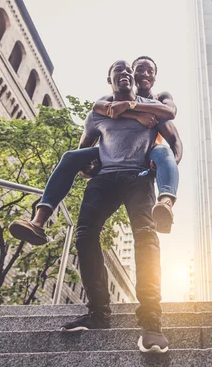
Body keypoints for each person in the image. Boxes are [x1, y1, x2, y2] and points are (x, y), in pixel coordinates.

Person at [8, 56, 181, 245]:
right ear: (132, 73)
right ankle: (38, 221)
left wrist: (167, 165)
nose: (144, 74)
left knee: (163, 152)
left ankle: (165, 204)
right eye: (139, 69)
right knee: (71, 157)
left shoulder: (159, 102)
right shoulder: (112, 98)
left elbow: (170, 116)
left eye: (150, 71)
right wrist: (133, 113)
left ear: (155, 77)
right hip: (111, 153)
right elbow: (99, 107)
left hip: (146, 153)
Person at [61, 60, 171, 353]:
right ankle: (98, 313)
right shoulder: (98, 113)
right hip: (105, 180)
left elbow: (173, 138)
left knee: (145, 235)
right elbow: (84, 153)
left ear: (135, 81)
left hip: (139, 178)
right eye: (118, 73)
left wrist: (164, 167)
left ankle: (151, 321)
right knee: (85, 234)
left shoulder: (150, 107)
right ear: (109, 80)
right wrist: (87, 168)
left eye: (129, 73)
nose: (125, 76)